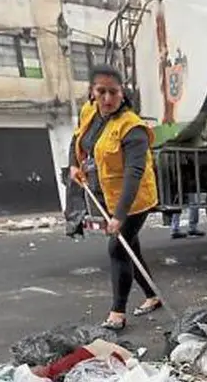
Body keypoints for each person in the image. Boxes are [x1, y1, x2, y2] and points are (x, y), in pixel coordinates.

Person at [68, 64, 162, 331]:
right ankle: (153, 296)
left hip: (134, 200)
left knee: (118, 248)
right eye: (101, 92)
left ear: (123, 94)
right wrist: (74, 164)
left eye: (114, 92)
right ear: (92, 92)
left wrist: (119, 216)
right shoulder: (89, 112)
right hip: (106, 195)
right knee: (131, 247)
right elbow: (77, 140)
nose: (107, 99)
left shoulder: (133, 128)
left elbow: (134, 173)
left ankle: (117, 313)